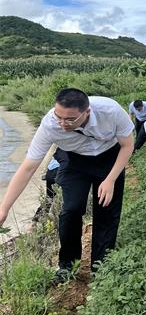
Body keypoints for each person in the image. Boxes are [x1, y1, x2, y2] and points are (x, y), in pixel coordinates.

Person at [0, 88, 134, 283]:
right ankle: (67, 266)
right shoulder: (50, 125)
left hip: (109, 158)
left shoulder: (110, 111)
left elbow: (127, 145)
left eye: (70, 119)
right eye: (59, 117)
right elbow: (28, 168)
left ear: (87, 112)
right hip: (74, 160)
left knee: (106, 211)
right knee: (71, 209)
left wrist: (111, 179)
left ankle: (101, 269)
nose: (62, 124)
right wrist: (4, 208)